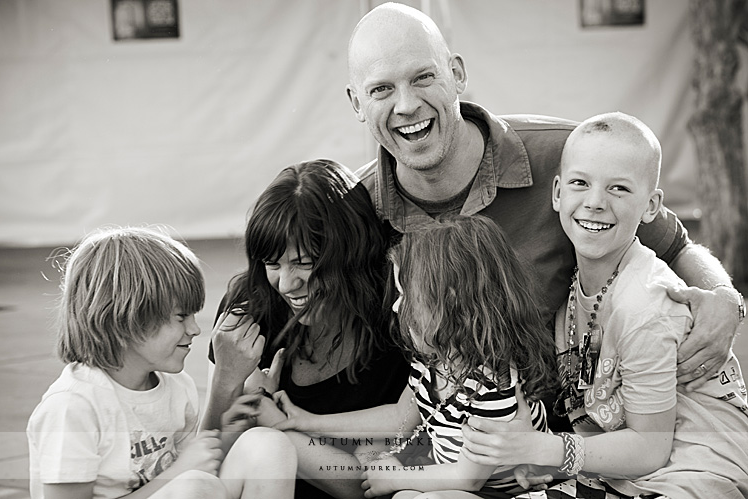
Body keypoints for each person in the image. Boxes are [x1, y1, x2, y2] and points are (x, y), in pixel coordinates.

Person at [345, 2, 744, 401]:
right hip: (445, 442)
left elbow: (676, 247)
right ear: (356, 103)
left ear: (456, 74)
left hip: (596, 433)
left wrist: (725, 299)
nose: (406, 104)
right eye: (381, 89)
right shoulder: (351, 211)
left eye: (423, 77)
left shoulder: (567, 157)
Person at [459, 113, 748, 498]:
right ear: (558, 192)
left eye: (619, 189)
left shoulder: (645, 304)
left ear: (651, 206)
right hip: (615, 477)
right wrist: (541, 457)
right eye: (581, 183)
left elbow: (650, 448)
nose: (595, 202)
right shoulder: (574, 292)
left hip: (690, 477)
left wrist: (544, 449)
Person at [273, 214, 558, 499]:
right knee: (382, 469)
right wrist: (306, 421)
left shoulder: (492, 387)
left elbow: (468, 478)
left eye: (407, 295)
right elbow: (399, 417)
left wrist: (398, 476)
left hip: (491, 490)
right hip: (445, 471)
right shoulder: (433, 360)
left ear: (451, 299)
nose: (396, 307)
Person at [27, 226, 297, 499]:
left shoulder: (176, 387)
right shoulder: (73, 406)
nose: (194, 329)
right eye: (181, 317)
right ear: (125, 320)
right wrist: (179, 473)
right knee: (194, 486)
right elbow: (185, 480)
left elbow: (195, 468)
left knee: (268, 444)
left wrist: (227, 432)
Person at [201, 159, 411, 499]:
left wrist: (272, 422)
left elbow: (366, 484)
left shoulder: (399, 320)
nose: (286, 284)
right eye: (273, 264)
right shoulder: (251, 305)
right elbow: (205, 465)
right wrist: (227, 380)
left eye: (305, 264)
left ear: (351, 255)